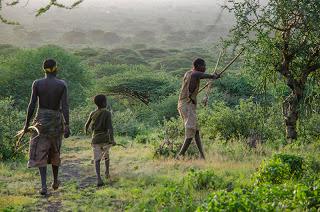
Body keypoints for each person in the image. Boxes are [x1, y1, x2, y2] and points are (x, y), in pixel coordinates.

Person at [23, 59, 70, 195]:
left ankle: (44, 186)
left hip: (41, 121)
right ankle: (55, 181)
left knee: (41, 151)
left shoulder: (37, 83)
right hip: (56, 121)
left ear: (43, 69)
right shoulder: (62, 84)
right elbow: (65, 106)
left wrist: (27, 125)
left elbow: (31, 105)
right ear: (56, 69)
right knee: (55, 150)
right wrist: (67, 124)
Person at [177, 58, 220, 159]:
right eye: (204, 66)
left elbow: (197, 78)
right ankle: (180, 156)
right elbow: (199, 75)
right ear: (198, 66)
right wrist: (213, 76)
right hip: (186, 105)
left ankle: (202, 156)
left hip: (185, 104)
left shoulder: (189, 73)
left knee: (195, 131)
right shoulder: (194, 74)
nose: (205, 67)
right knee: (191, 129)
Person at [85, 94, 115, 187]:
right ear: (103, 103)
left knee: (97, 159)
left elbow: (86, 125)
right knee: (106, 156)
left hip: (95, 139)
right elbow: (110, 128)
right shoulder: (107, 113)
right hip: (105, 139)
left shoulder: (92, 113)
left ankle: (98, 178)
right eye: (105, 101)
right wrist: (112, 140)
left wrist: (88, 133)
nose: (106, 103)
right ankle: (107, 172)